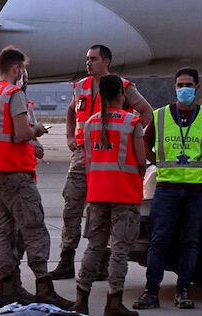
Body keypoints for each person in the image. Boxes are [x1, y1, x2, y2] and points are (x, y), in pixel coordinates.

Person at [0, 46, 67, 306]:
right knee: (34, 228)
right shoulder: (13, 94)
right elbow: (19, 134)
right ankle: (43, 286)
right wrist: (36, 130)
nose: (23, 74)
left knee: (3, 231)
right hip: (14, 172)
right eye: (22, 69)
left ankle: (7, 285)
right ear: (16, 69)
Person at [55, 45, 151, 283]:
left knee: (105, 208)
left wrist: (131, 137)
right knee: (72, 206)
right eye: (87, 58)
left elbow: (146, 112)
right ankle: (66, 259)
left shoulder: (123, 87)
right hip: (83, 154)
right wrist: (69, 136)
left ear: (106, 61)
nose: (88, 63)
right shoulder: (81, 86)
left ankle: (102, 261)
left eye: (93, 59)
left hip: (110, 156)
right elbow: (70, 111)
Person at [134, 67, 202, 310]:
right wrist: (161, 165)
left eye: (188, 84)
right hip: (167, 188)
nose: (184, 89)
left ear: (197, 87)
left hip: (196, 191)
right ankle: (151, 291)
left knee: (191, 242)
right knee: (159, 240)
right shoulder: (161, 116)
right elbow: (145, 146)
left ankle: (183, 290)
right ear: (174, 87)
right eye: (180, 85)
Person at [77, 73, 151, 316]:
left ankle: (81, 300)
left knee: (94, 247)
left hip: (97, 194)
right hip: (125, 195)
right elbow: (141, 161)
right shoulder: (132, 123)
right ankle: (114, 303)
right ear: (122, 93)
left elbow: (88, 160)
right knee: (119, 250)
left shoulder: (89, 124)